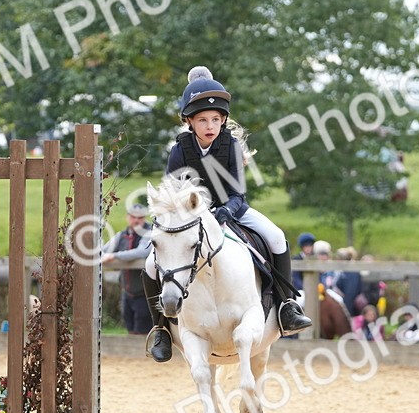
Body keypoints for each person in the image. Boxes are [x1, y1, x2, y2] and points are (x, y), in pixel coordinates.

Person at [142, 67, 313, 361]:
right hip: (189, 221)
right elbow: (171, 195)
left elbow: (237, 195)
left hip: (232, 212)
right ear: (190, 122)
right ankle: (162, 329)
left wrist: (222, 213)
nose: (210, 126)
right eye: (203, 120)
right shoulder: (179, 150)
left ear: (223, 121)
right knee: (149, 264)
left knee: (276, 237)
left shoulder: (230, 145)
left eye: (216, 120)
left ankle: (287, 306)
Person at [101, 197, 153, 336]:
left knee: (143, 326)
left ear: (144, 218)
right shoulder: (121, 235)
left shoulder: (149, 233)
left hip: (145, 291)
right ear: (128, 217)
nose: (136, 221)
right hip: (127, 290)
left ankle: (142, 356)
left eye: (140, 218)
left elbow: (142, 251)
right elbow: (104, 251)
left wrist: (116, 256)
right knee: (129, 324)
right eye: (133, 217)